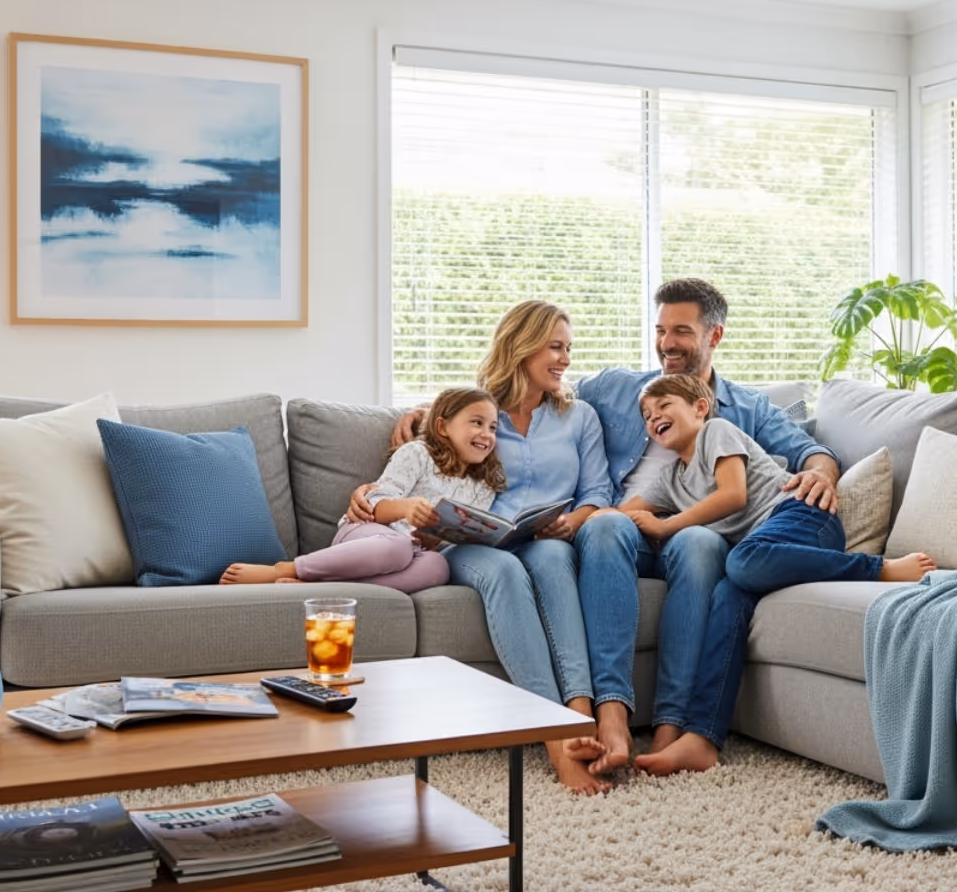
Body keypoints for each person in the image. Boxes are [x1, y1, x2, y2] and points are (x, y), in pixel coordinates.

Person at [380, 279, 844, 774]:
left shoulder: (748, 408)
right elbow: (524, 390)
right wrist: (430, 413)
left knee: (699, 543)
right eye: (660, 330)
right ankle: (613, 713)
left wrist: (822, 474)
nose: (667, 343)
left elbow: (810, 451)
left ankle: (669, 728)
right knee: (605, 526)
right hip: (624, 530)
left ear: (715, 336)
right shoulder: (618, 388)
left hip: (687, 529)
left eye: (681, 332)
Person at [350, 301, 616, 794]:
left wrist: (572, 521)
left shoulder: (580, 416)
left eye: (568, 348)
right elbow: (433, 448)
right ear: (522, 346)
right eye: (555, 347)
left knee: (555, 559)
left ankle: (581, 718)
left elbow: (598, 491)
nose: (565, 359)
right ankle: (556, 739)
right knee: (504, 572)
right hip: (475, 542)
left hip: (545, 538)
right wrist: (417, 420)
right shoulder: (480, 412)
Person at [616, 374, 935, 776]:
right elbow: (624, 512)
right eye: (647, 415)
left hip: (802, 515)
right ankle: (702, 737)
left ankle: (878, 569)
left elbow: (733, 495)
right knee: (727, 596)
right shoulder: (671, 480)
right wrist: (572, 522)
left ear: (699, 407)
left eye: (664, 406)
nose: (654, 417)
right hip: (765, 552)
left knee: (739, 561)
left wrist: (666, 525)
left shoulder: (717, 431)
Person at [220, 387, 503, 593]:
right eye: (476, 422)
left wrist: (433, 539)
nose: (487, 434)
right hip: (367, 534)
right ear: (442, 427)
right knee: (398, 546)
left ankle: (316, 587)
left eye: (492, 428)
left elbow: (450, 538)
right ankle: (286, 569)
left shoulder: (484, 487)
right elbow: (374, 505)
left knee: (437, 567)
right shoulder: (417, 454)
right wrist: (406, 508)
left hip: (412, 552)